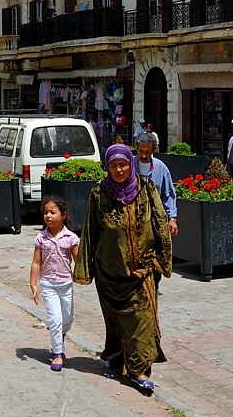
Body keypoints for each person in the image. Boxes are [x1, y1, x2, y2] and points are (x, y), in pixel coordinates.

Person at [73, 143, 172, 392]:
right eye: (114, 165)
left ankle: (139, 370)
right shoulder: (99, 193)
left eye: (123, 164)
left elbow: (160, 221)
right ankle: (117, 362)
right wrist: (86, 268)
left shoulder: (146, 188)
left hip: (142, 271)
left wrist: (162, 259)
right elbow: (90, 230)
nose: (119, 170)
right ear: (107, 167)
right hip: (109, 273)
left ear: (131, 163)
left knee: (143, 321)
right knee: (115, 323)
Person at [29, 197, 79, 373]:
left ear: (63, 215)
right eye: (45, 212)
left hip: (65, 285)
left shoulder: (71, 238)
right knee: (55, 320)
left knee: (67, 320)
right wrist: (33, 284)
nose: (48, 216)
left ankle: (60, 336)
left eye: (52, 212)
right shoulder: (41, 238)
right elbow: (36, 262)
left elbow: (78, 261)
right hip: (48, 284)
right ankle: (58, 352)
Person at [134, 133, 177, 237]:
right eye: (141, 151)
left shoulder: (161, 168)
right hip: (133, 220)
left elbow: (168, 194)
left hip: (154, 220)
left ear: (153, 151)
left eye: (147, 152)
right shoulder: (128, 166)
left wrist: (172, 218)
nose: (144, 155)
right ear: (136, 149)